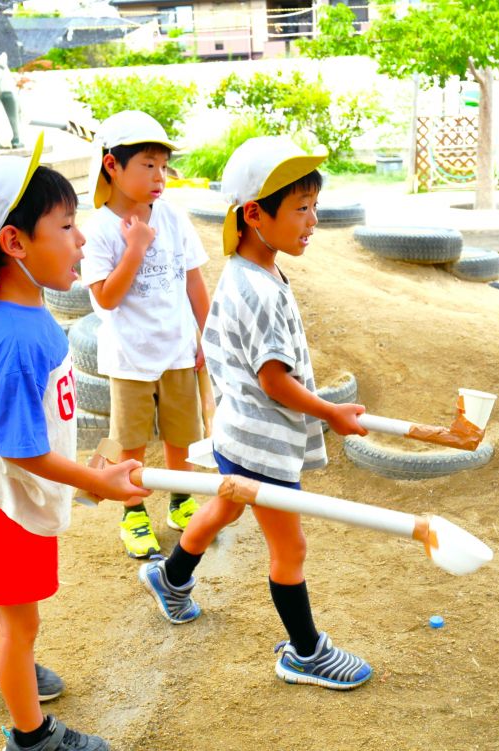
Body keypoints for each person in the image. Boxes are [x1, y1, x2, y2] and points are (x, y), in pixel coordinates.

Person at [137, 136, 374, 690]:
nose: (312, 220)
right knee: (290, 547)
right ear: (253, 214)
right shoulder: (259, 291)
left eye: (314, 206)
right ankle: (306, 652)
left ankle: (171, 579)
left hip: (237, 432)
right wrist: (330, 414)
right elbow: (274, 379)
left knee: (224, 508)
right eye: (299, 208)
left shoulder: (246, 274)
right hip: (262, 440)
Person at [0, 133, 150, 751]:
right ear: (13, 243)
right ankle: (32, 738)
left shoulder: (24, 315)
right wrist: (96, 483)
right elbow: (19, 449)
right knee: (22, 624)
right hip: (5, 505)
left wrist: (81, 472)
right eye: (66, 226)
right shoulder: (14, 336)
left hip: (3, 494)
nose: (82, 240)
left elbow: (35, 431)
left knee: (6, 615)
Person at [80, 110, 211, 559]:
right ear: (112, 166)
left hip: (177, 350)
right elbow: (107, 298)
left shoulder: (173, 217)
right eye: (147, 165)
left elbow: (193, 280)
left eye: (162, 165)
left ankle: (181, 500)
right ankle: (133, 511)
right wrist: (135, 248)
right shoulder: (97, 229)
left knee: (183, 435)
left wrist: (206, 337)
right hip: (130, 358)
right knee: (129, 439)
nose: (159, 176)